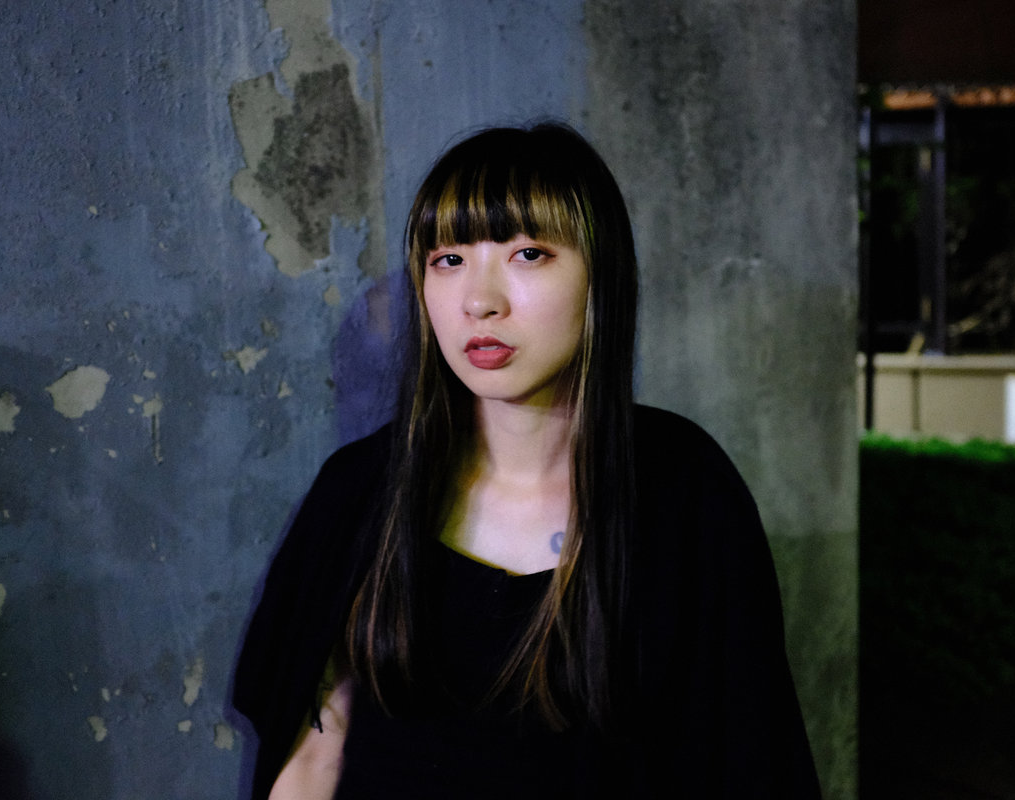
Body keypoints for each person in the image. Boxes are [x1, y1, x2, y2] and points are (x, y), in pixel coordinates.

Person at [232, 123, 821, 798]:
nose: (480, 300)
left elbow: (749, 758)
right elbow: (314, 758)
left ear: (599, 275)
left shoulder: (685, 492)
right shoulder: (361, 490)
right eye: (447, 260)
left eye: (528, 254)